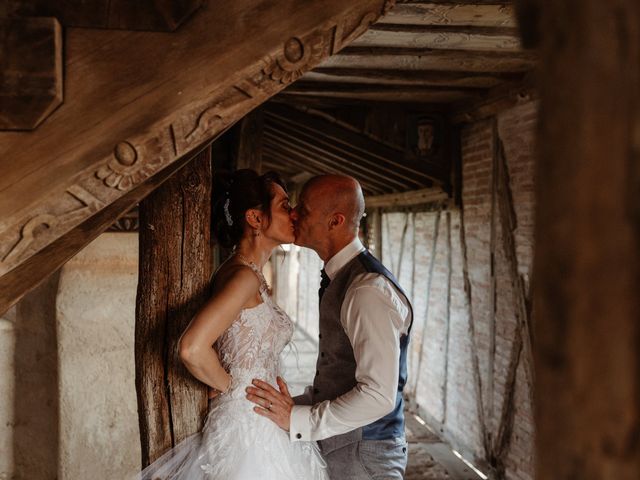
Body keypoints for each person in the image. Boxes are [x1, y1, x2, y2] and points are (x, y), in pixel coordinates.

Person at [138, 169, 328, 480]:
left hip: (263, 423)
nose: (293, 212)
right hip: (247, 429)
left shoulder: (250, 275)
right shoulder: (242, 277)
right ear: (255, 218)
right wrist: (230, 386)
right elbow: (191, 348)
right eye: (283, 205)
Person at [246, 174, 414, 479]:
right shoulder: (342, 277)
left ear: (335, 221)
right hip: (344, 450)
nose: (294, 213)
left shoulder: (367, 290)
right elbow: (341, 374)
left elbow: (378, 395)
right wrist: (288, 406)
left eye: (304, 210)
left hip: (365, 459)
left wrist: (299, 420)